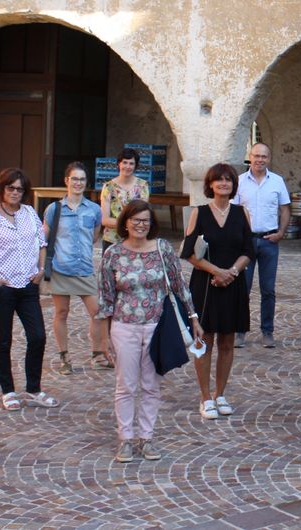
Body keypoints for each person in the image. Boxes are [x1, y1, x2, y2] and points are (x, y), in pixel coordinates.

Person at [97, 200, 199, 463]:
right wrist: (103, 337)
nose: (141, 225)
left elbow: (179, 285)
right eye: (136, 220)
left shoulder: (163, 249)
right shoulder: (113, 254)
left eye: (145, 220)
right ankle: (125, 439)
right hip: (124, 326)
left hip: (157, 326)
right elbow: (106, 298)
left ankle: (147, 437)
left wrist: (193, 317)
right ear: (126, 223)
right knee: (125, 385)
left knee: (152, 385)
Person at [182, 163, 254, 420]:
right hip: (205, 286)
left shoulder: (242, 213)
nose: (224, 184)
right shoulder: (199, 213)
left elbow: (248, 250)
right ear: (210, 184)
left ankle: (220, 394)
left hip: (233, 284)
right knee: (205, 341)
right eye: (219, 180)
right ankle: (205, 397)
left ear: (234, 185)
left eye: (228, 180)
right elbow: (188, 253)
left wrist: (231, 272)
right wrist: (217, 272)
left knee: (227, 342)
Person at [0, 168, 56, 411]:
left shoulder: (29, 213)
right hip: (2, 287)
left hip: (27, 285)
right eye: (11, 188)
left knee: (38, 336)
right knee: (3, 340)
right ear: (2, 188)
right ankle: (8, 390)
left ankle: (33, 388)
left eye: (19, 189)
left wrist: (40, 270)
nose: (15, 192)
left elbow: (41, 243)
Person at [42, 162, 107, 375]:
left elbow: (94, 236)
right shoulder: (54, 209)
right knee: (61, 312)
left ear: (86, 182)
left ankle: (97, 355)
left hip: (85, 268)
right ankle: (65, 357)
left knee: (97, 312)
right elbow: (44, 238)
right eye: (75, 179)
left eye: (82, 179)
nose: (78, 183)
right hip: (61, 268)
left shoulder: (94, 209)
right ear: (66, 181)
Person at [232, 143, 290, 349]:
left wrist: (281, 233)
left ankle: (267, 331)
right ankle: (239, 331)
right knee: (243, 288)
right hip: (245, 243)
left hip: (268, 241)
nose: (260, 160)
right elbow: (233, 212)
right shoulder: (239, 182)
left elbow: (285, 209)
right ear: (250, 156)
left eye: (264, 156)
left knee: (268, 290)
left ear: (269, 158)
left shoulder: (277, 181)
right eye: (256, 156)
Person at [100, 148, 151, 253]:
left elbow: (143, 216)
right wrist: (131, 224)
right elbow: (104, 220)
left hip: (136, 240)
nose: (127, 166)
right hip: (112, 241)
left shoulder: (142, 186)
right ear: (118, 164)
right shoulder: (108, 187)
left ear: (136, 166)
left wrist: (123, 223)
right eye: (124, 162)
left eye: (131, 163)